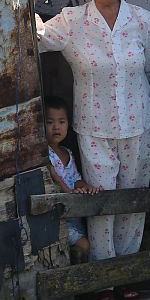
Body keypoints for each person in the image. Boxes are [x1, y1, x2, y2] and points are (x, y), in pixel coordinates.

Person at [25, 0, 150, 300]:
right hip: (95, 127)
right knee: (101, 201)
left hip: (139, 123)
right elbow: (36, 38)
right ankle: (104, 282)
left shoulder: (141, 20)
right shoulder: (73, 21)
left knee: (133, 199)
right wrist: (29, 2)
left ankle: (127, 275)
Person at [44, 94, 96, 265]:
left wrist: (85, 187)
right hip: (58, 218)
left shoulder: (68, 153)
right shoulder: (44, 155)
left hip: (74, 216)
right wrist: (70, 192)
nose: (56, 127)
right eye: (49, 122)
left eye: (61, 122)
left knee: (88, 245)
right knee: (84, 245)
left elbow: (76, 180)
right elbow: (58, 183)